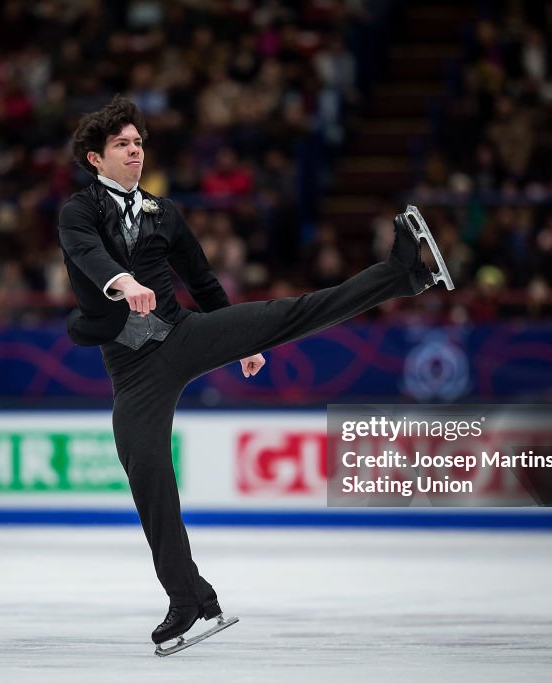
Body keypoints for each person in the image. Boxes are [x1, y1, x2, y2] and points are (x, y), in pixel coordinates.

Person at [58, 95, 442, 646]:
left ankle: (400, 273)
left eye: (139, 142)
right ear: (96, 158)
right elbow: (87, 256)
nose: (135, 151)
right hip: (133, 366)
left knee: (287, 314)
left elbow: (203, 281)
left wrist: (236, 340)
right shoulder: (78, 211)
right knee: (148, 476)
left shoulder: (164, 213)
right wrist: (122, 282)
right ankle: (189, 599)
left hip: (185, 335)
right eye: (122, 144)